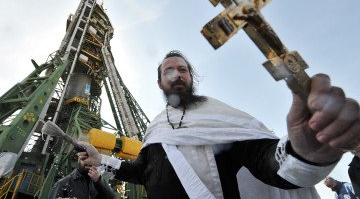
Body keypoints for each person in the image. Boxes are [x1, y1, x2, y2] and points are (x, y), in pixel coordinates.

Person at [78, 50, 360, 199]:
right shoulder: (155, 129)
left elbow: (266, 162)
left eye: (183, 69)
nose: (177, 74)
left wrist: (303, 151)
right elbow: (141, 172)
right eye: (169, 70)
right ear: (159, 82)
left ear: (191, 77)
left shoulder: (220, 117)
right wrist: (100, 159)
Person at [49, 154, 115, 199]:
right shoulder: (63, 183)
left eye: (91, 159)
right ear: (78, 160)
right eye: (84, 158)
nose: (88, 161)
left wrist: (99, 180)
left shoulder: (99, 183)